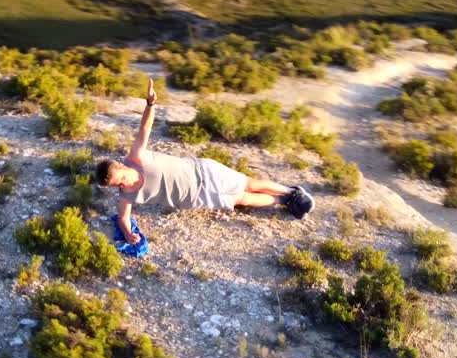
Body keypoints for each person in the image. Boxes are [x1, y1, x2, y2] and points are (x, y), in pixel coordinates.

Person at [95, 79, 315, 244]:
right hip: (197, 197)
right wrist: (128, 234)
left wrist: (150, 105)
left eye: (121, 178)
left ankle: (293, 191)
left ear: (122, 166)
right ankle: (283, 201)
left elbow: (145, 128)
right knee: (242, 200)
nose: (122, 185)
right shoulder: (127, 195)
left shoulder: (136, 158)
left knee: (249, 184)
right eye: (117, 185)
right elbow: (124, 218)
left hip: (203, 172)